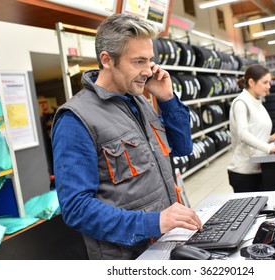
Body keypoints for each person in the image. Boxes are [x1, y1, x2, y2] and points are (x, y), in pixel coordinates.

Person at [51, 13, 202, 260]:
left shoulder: (140, 101)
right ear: (107, 60)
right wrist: (154, 222)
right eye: (138, 62)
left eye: (150, 61)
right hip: (127, 256)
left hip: (165, 242)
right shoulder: (76, 119)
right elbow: (76, 208)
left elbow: (183, 147)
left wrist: (167, 100)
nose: (148, 71)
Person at [227, 64, 275, 193]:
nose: (269, 86)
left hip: (258, 167)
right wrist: (269, 148)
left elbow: (254, 132)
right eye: (265, 82)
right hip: (244, 172)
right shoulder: (241, 102)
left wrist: (270, 138)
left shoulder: (257, 101)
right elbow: (243, 134)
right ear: (251, 82)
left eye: (269, 82)